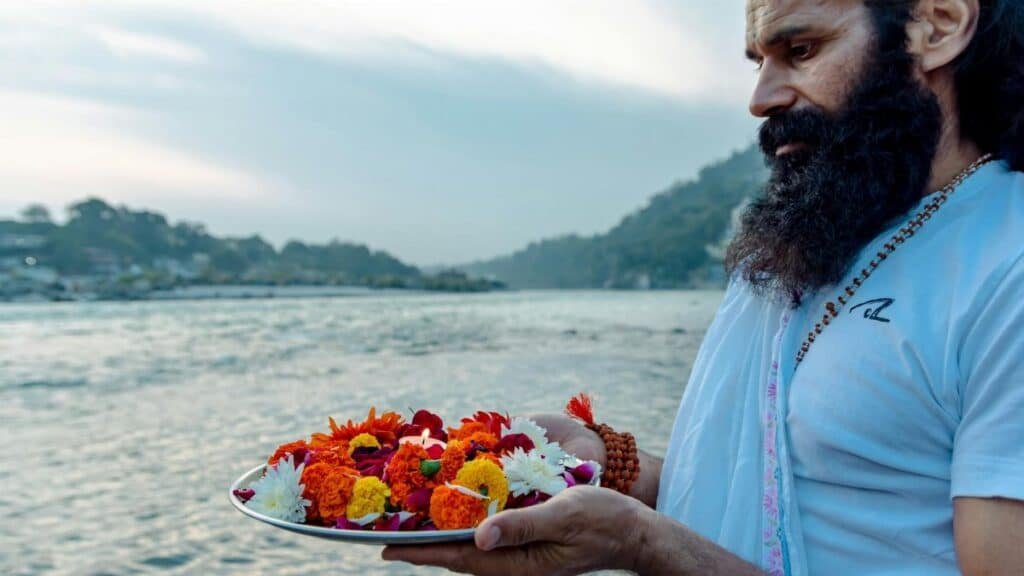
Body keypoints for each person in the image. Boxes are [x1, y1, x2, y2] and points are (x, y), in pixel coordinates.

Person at [383, 0, 1024, 573]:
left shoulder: (1008, 266)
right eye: (759, 60)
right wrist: (612, 465)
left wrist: (642, 544)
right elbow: (774, 493)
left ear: (936, 26)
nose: (761, 97)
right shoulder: (812, 242)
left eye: (800, 50)